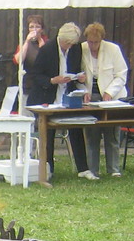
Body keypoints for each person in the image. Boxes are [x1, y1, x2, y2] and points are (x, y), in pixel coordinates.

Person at [24, 22, 88, 178]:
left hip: (67, 98)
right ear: (61, 38)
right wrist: (53, 80)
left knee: (76, 126)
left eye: (72, 44)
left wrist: (79, 77)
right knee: (48, 131)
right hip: (46, 97)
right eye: (67, 43)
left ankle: (83, 169)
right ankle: (48, 168)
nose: (69, 47)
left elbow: (75, 70)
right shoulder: (47, 50)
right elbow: (36, 76)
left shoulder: (75, 48)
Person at [79, 23, 128, 179]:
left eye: (96, 42)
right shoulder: (81, 49)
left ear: (102, 39)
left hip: (110, 96)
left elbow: (121, 75)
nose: (93, 46)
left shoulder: (113, 49)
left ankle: (113, 169)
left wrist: (109, 92)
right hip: (90, 95)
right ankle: (93, 169)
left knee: (112, 133)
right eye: (90, 42)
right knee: (92, 133)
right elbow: (77, 76)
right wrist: (83, 91)